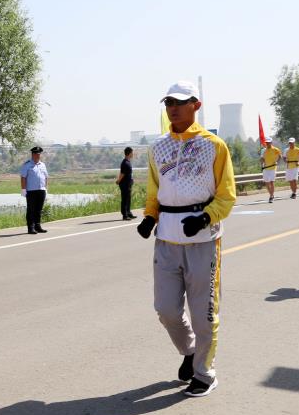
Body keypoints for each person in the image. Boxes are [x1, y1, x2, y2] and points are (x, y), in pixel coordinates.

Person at [136, 80, 235, 397]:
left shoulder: (215, 146)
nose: (173, 108)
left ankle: (205, 373)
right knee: (165, 310)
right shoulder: (157, 147)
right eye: (168, 103)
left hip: (203, 241)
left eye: (179, 102)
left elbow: (227, 196)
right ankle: (191, 352)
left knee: (204, 313)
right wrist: (150, 217)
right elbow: (155, 191)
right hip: (166, 240)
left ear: (196, 105)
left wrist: (205, 217)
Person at [20, 146, 49, 234]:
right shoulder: (27, 165)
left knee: (39, 209)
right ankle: (31, 227)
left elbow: (46, 177)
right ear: (32, 154)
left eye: (39, 154)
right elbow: (23, 177)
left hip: (41, 190)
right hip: (31, 191)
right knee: (31, 210)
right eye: (36, 154)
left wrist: (46, 188)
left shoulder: (42, 165)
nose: (38, 156)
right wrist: (23, 190)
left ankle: (38, 226)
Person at [116, 147, 135, 220]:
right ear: (129, 153)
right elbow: (122, 173)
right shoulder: (124, 163)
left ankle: (129, 213)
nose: (133, 154)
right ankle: (125, 215)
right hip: (124, 184)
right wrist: (118, 180)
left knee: (128, 199)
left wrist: (132, 180)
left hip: (128, 184)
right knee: (125, 199)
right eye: (132, 153)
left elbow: (127, 173)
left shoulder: (128, 162)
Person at [259, 138, 281, 202]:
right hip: (265, 168)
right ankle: (271, 194)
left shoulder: (276, 149)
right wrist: (261, 161)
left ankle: (271, 196)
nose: (268, 144)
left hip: (273, 168)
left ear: (271, 142)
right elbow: (262, 159)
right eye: (267, 143)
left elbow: (280, 156)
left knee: (271, 182)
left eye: (269, 142)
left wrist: (277, 162)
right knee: (267, 183)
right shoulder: (263, 150)